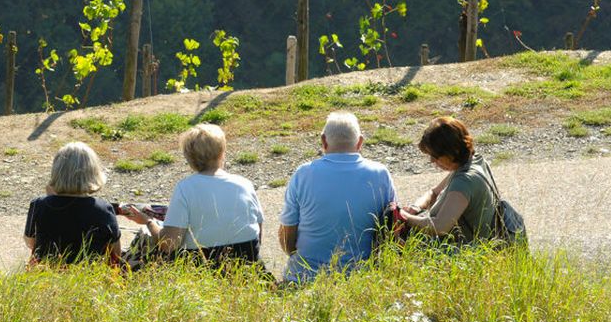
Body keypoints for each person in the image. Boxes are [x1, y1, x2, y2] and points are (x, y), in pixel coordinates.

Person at [277, 112, 397, 284]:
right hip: (361, 279)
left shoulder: (304, 173)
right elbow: (391, 223)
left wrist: (294, 254)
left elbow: (288, 232)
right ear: (360, 142)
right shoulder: (380, 174)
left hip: (305, 278)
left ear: (323, 141)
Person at [122, 123, 263, 264]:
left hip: (203, 267)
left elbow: (169, 244)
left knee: (148, 236)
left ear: (189, 158)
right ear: (222, 152)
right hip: (248, 264)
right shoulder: (245, 184)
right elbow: (258, 230)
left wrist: (148, 221)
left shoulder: (185, 188)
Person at [398, 116, 497, 244]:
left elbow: (440, 227)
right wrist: (416, 207)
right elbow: (433, 192)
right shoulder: (473, 161)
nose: (432, 161)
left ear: (453, 150)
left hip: (462, 250)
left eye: (435, 156)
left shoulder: (464, 181)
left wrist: (404, 217)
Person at [24, 142, 121, 264]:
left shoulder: (38, 204)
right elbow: (116, 254)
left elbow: (30, 243)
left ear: (56, 172)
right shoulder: (104, 209)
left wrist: (50, 197)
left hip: (46, 272)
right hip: (89, 272)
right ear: (93, 173)